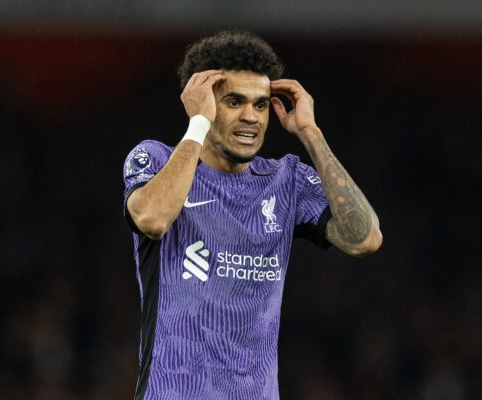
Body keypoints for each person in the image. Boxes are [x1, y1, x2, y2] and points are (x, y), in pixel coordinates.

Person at [122, 30, 382, 400]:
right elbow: (152, 218)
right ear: (204, 103)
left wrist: (310, 133)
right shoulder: (157, 159)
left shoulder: (286, 180)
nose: (251, 117)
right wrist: (197, 125)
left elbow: (366, 238)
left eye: (261, 105)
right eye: (234, 101)